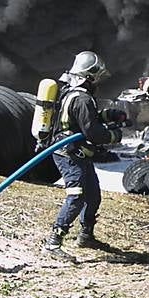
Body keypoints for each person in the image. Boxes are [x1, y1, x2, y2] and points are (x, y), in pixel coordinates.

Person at [42, 50, 127, 253]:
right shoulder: (82, 98)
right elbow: (93, 132)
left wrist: (110, 115)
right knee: (77, 196)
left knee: (93, 195)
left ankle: (85, 237)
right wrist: (114, 136)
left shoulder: (73, 93)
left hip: (77, 153)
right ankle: (53, 243)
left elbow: (85, 119)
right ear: (90, 76)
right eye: (97, 78)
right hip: (68, 153)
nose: (98, 82)